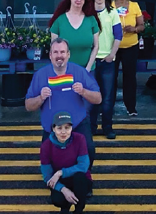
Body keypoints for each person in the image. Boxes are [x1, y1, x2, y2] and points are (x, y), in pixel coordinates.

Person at [26, 39, 102, 167]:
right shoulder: (40, 75)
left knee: (89, 149)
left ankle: (83, 176)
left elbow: (98, 98)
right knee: (47, 159)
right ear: (50, 55)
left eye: (62, 52)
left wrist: (83, 91)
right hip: (52, 127)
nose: (59, 56)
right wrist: (40, 98)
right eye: (55, 52)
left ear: (68, 54)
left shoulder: (79, 72)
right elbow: (28, 106)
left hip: (77, 124)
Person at [41, 112, 92, 214]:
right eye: (59, 128)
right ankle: (65, 205)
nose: (63, 132)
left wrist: (60, 173)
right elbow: (47, 176)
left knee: (80, 179)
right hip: (61, 182)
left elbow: (83, 166)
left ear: (72, 128)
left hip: (78, 178)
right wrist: (63, 189)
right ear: (53, 129)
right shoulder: (46, 146)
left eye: (67, 128)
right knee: (57, 199)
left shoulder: (80, 139)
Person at [88, 0, 123, 140]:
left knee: (108, 97)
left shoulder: (112, 12)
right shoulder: (88, 14)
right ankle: (92, 126)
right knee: (93, 96)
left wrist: (111, 55)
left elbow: (118, 36)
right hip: (92, 61)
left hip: (108, 61)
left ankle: (107, 127)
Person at [112, 0, 144, 118]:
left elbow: (142, 26)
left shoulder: (135, 5)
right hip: (113, 47)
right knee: (110, 77)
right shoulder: (110, 6)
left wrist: (134, 29)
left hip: (131, 46)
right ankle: (107, 106)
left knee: (129, 77)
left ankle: (131, 107)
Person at [49, 0, 101, 71]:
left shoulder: (91, 20)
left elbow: (96, 46)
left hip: (87, 70)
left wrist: (87, 69)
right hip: (64, 71)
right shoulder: (59, 20)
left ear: (85, 1)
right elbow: (53, 48)